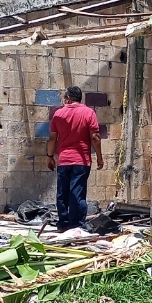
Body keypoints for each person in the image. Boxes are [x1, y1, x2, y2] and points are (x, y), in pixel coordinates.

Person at [46, 86, 102, 231]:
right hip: (81, 161)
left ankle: (63, 223)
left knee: (62, 193)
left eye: (65, 98)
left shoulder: (58, 114)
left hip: (64, 160)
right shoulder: (89, 113)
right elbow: (95, 137)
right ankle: (76, 225)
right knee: (77, 193)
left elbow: (52, 138)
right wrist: (100, 157)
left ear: (69, 98)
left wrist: (50, 157)